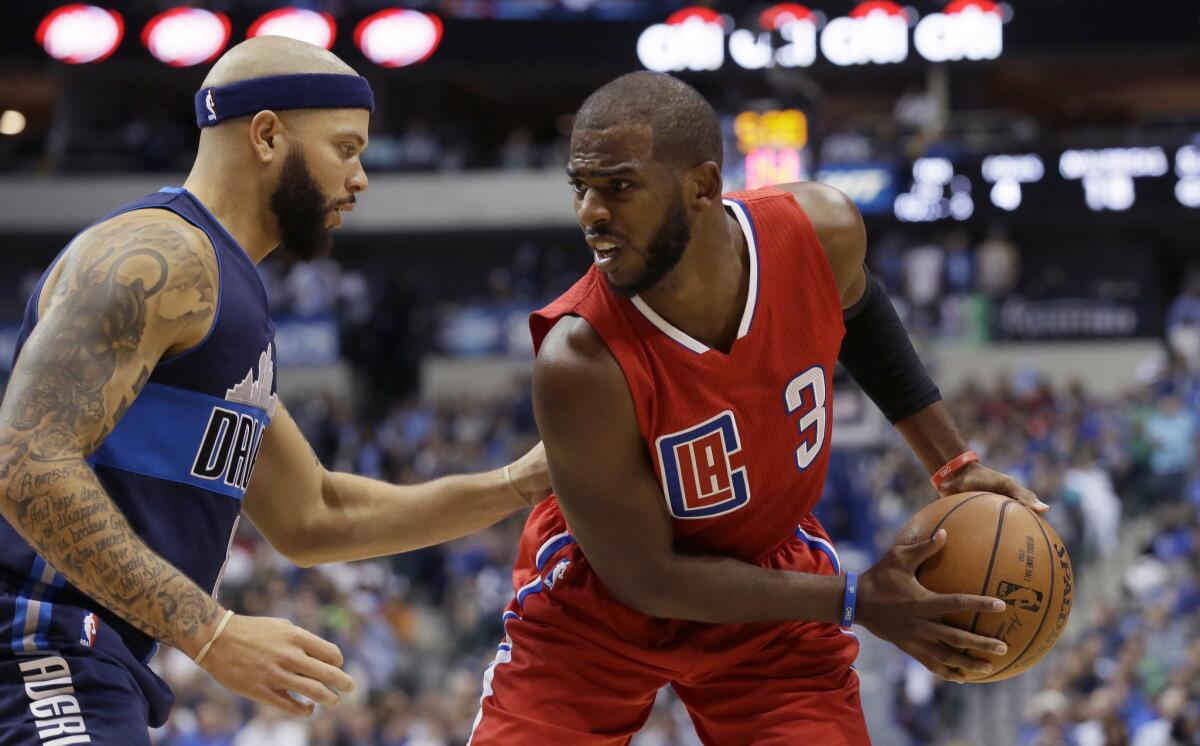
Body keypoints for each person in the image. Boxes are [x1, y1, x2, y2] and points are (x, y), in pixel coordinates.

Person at [468, 72, 1048, 744]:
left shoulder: (821, 232)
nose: (591, 212)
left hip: (765, 590)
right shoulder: (579, 360)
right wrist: (854, 597)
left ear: (704, 186)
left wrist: (954, 463)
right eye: (582, 187)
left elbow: (859, 311)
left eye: (619, 186)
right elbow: (646, 578)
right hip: (601, 608)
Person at [0, 36, 549, 744]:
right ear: (267, 135)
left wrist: (519, 482)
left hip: (91, 658)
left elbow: (316, 514)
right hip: (36, 643)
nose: (361, 178)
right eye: (346, 149)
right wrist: (212, 631)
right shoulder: (161, 257)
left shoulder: (233, 298)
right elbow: (24, 461)